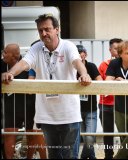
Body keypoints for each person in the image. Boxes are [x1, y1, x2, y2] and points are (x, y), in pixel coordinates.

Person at [1, 14, 91, 159]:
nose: (44, 33)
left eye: (47, 29)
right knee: (54, 155)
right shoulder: (36, 47)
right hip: (47, 116)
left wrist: (84, 74)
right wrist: (11, 72)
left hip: (69, 114)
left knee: (70, 156)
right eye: (40, 30)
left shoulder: (68, 46)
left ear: (57, 29)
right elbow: (24, 63)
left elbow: (77, 62)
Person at [1, 44, 35, 159]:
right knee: (9, 133)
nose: (3, 54)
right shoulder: (2, 64)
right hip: (10, 105)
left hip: (30, 104)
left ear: (15, 56)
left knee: (31, 134)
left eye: (5, 52)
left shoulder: (26, 64)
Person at [98, 38, 123, 159]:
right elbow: (100, 83)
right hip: (106, 104)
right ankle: (108, 156)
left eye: (120, 49)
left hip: (122, 104)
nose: (118, 51)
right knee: (108, 133)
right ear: (110, 50)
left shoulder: (126, 65)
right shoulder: (103, 65)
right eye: (115, 49)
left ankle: (125, 155)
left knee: (125, 133)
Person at [76, 44, 102, 159]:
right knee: (83, 138)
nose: (78, 55)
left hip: (91, 109)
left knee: (89, 138)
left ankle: (83, 157)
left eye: (80, 52)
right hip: (76, 110)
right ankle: (92, 157)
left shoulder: (91, 66)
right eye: (75, 53)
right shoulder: (71, 68)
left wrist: (90, 82)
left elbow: (100, 80)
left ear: (85, 54)